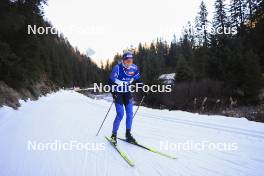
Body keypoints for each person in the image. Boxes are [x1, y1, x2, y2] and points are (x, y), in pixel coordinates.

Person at [108, 51, 143, 144]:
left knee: (130, 114)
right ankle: (113, 135)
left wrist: (142, 90)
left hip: (127, 92)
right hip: (118, 93)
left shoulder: (134, 68)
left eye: (131, 61)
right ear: (123, 61)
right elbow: (110, 82)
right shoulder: (117, 68)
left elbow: (138, 80)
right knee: (120, 114)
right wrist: (113, 92)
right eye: (127, 61)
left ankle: (128, 134)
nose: (129, 63)